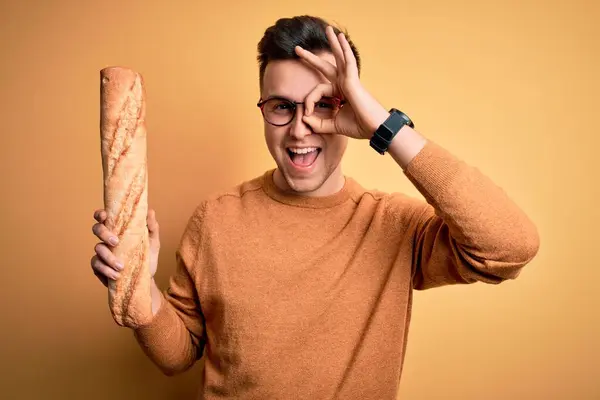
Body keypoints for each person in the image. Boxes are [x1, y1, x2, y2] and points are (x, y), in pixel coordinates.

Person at [90, 15, 540, 399]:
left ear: (352, 111)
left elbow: (510, 246)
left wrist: (384, 124)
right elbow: (179, 354)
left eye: (324, 105)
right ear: (263, 108)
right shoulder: (216, 218)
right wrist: (141, 289)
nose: (302, 129)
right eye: (282, 106)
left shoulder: (394, 225)